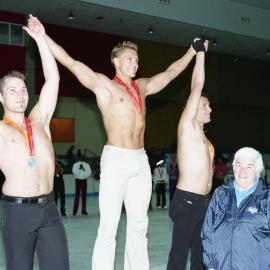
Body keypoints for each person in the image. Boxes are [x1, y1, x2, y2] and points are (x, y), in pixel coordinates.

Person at [43, 16, 203, 269]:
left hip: (140, 160)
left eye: (137, 59)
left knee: (140, 224)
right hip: (116, 158)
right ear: (115, 61)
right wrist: (42, 36)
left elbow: (171, 73)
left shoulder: (142, 86)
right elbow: (70, 62)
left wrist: (192, 52)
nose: (135, 63)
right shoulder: (104, 85)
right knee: (109, 226)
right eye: (130, 58)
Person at [0, 15, 69, 270]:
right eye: (12, 90)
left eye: (23, 90)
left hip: (49, 210)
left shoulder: (38, 120)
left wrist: (40, 39)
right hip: (18, 213)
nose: (20, 95)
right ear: (1, 97)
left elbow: (53, 81)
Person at [167, 38, 211, 270]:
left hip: (202, 201)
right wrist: (200, 52)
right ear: (191, 109)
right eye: (205, 105)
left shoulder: (204, 137)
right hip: (187, 200)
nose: (209, 108)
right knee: (179, 254)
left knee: (199, 254)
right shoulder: (188, 126)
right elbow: (197, 84)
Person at [201, 147, 270, 270]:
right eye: (239, 165)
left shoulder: (266, 197)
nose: (242, 171)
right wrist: (210, 264)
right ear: (233, 167)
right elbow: (207, 230)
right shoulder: (220, 194)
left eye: (249, 166)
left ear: (257, 171)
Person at [72, 151, 92, 215]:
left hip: (82, 180)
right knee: (78, 196)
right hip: (79, 180)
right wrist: (80, 172)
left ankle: (83, 210)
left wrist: (83, 170)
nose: (81, 158)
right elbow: (74, 172)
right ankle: (75, 211)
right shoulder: (76, 165)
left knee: (83, 196)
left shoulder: (86, 165)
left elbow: (89, 172)